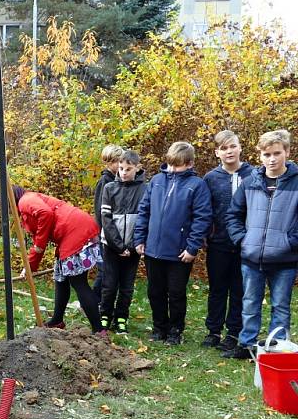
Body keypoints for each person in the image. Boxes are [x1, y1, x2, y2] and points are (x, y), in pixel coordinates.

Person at [226, 129, 298, 359]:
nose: (272, 159)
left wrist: (290, 242)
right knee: (249, 303)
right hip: (252, 256)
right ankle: (247, 345)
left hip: (285, 259)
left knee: (281, 306)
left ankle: (278, 348)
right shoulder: (250, 182)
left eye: (277, 153)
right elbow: (233, 215)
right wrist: (242, 240)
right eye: (267, 154)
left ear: (287, 152)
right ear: (260, 155)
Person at [133, 141, 212, 345]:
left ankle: (176, 330)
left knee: (176, 293)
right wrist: (140, 238)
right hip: (153, 249)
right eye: (170, 164)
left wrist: (192, 247)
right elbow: (144, 211)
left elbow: (202, 218)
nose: (173, 169)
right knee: (154, 291)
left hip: (179, 252)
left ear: (190, 164)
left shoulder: (197, 185)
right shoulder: (157, 181)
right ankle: (159, 328)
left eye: (178, 165)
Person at [15, 186, 105, 334]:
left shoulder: (25, 200)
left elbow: (45, 214)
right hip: (73, 231)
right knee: (61, 278)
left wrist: (37, 249)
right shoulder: (29, 201)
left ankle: (99, 330)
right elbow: (39, 236)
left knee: (79, 283)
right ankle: (57, 320)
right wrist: (30, 266)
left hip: (75, 231)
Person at [202, 130, 253, 352]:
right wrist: (205, 235)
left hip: (246, 242)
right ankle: (213, 330)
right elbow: (204, 210)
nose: (229, 151)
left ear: (240, 148)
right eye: (224, 148)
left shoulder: (254, 175)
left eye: (232, 146)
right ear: (217, 153)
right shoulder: (211, 178)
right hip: (218, 242)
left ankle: (234, 332)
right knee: (217, 288)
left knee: (239, 288)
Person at [99, 150, 146, 334]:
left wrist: (134, 245)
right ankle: (104, 316)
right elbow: (106, 219)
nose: (124, 172)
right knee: (109, 284)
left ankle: (121, 317)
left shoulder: (144, 189)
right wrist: (118, 246)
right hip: (111, 247)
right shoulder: (109, 188)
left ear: (137, 168)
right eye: (120, 168)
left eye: (128, 169)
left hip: (133, 248)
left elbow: (145, 219)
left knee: (127, 286)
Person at [92, 144, 123, 294]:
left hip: (114, 232)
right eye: (118, 161)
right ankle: (92, 301)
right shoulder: (105, 181)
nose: (121, 165)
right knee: (104, 270)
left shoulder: (117, 180)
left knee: (111, 271)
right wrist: (105, 233)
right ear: (110, 162)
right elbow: (100, 211)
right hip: (104, 234)